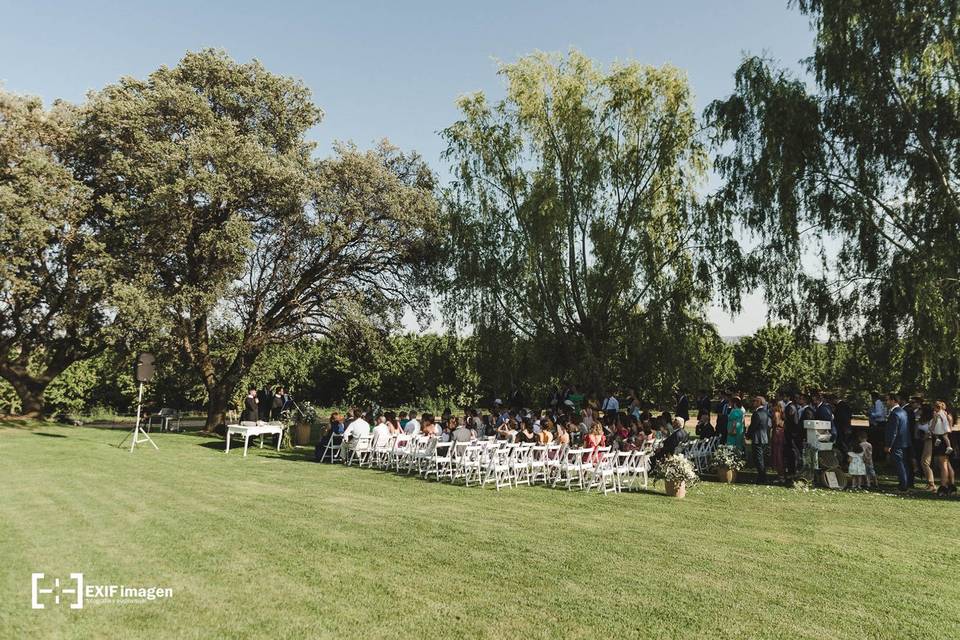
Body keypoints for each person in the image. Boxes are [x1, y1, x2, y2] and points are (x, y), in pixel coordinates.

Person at [884, 393, 913, 492]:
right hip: (904, 442)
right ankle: (905, 483)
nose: (886, 402)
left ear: (893, 401)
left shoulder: (895, 413)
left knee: (899, 464)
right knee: (904, 464)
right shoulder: (903, 412)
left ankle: (903, 486)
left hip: (897, 443)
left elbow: (893, 431)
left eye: (888, 400)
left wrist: (888, 445)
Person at [931, 400, 956, 495]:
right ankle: (952, 485)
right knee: (948, 463)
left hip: (942, 440)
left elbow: (933, 427)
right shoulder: (948, 416)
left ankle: (943, 487)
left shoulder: (939, 415)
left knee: (943, 464)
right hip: (948, 438)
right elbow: (949, 429)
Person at [748, 396, 770, 484]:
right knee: (761, 459)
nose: (753, 403)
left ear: (759, 402)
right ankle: (762, 477)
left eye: (755, 401)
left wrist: (748, 435)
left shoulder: (756, 413)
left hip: (758, 438)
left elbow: (753, 426)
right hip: (764, 438)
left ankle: (762, 478)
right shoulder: (765, 412)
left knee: (758, 459)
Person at [917, 403, 936, 492]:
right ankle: (929, 483)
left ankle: (931, 484)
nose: (919, 411)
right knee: (923, 462)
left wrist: (926, 436)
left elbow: (932, 431)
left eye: (920, 409)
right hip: (923, 441)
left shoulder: (931, 420)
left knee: (925, 462)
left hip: (929, 441)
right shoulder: (921, 419)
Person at [770, 403, 786, 483]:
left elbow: (776, 423)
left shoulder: (776, 414)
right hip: (781, 433)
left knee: (777, 455)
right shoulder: (782, 414)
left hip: (777, 434)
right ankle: (781, 475)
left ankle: (781, 476)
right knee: (780, 455)